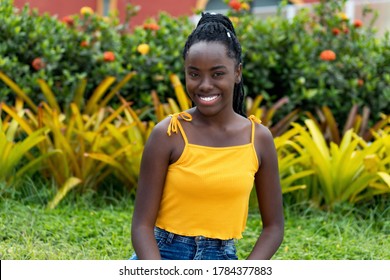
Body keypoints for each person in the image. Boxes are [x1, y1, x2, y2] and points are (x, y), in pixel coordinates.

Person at [130, 12, 284, 260]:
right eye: (194, 74)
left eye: (217, 74)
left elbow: (274, 228)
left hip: (222, 259)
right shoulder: (168, 134)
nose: (204, 85)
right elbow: (141, 227)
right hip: (162, 255)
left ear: (237, 73)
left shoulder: (258, 139)